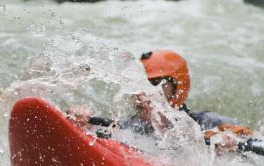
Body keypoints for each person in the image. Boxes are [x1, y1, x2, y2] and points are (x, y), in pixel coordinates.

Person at [67, 50, 253, 150]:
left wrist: (232, 142)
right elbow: (91, 138)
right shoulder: (123, 127)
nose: (144, 91)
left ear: (178, 87)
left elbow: (254, 137)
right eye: (139, 83)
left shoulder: (208, 123)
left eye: (155, 83)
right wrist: (79, 123)